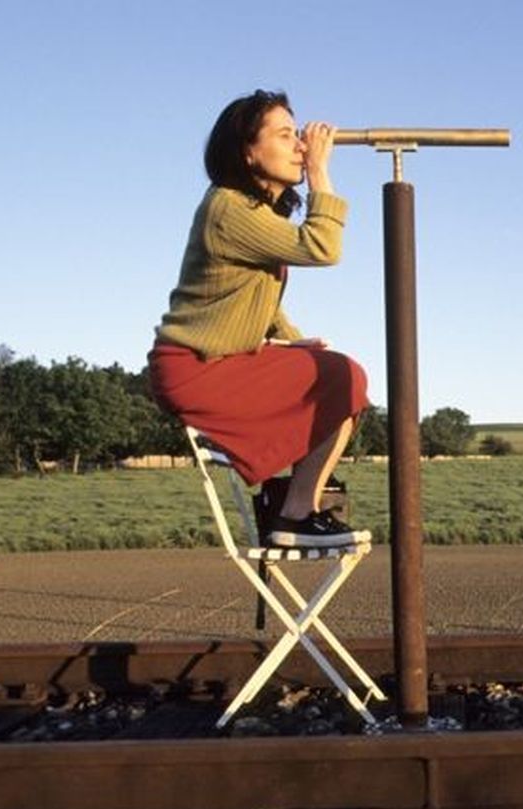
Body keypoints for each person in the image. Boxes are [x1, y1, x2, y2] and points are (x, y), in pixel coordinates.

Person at [148, 89, 369, 548]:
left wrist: (291, 340)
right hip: (198, 367)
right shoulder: (229, 207)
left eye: (299, 136)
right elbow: (323, 248)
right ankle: (294, 513)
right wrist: (321, 175)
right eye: (286, 135)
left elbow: (251, 298)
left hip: (215, 360)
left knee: (341, 381)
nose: (301, 146)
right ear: (248, 151)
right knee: (344, 377)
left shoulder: (251, 211)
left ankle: (294, 506)